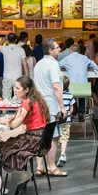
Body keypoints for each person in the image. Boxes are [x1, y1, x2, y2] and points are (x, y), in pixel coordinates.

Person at [0, 75, 50, 173]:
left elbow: (14, 125)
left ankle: (18, 179)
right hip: (41, 138)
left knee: (6, 149)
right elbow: (21, 118)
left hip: (33, 140)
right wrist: (11, 119)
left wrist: (6, 121)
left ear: (26, 90)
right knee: (9, 145)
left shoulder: (27, 102)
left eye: (17, 88)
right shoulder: (36, 99)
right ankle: (20, 178)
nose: (15, 90)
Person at [34, 38, 68, 177]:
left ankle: (39, 167)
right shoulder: (53, 65)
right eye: (57, 47)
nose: (60, 49)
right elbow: (56, 86)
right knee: (53, 137)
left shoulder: (39, 64)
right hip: (51, 106)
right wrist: (62, 106)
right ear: (50, 50)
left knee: (40, 136)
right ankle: (52, 167)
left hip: (39, 104)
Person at [59, 44, 98, 121]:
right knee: (81, 92)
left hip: (72, 88)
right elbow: (96, 67)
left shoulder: (67, 58)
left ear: (70, 51)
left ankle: (73, 111)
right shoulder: (84, 58)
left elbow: (57, 66)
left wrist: (66, 68)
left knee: (69, 92)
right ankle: (81, 112)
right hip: (84, 89)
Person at [0, 33, 28, 100]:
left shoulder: (4, 48)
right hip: (18, 77)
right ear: (16, 40)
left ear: (8, 40)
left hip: (7, 77)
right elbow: (25, 65)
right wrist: (27, 77)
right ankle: (18, 110)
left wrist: (4, 39)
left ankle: (5, 110)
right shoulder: (21, 50)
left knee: (6, 99)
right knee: (18, 98)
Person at [58, 76, 75, 167]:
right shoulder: (70, 96)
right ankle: (63, 154)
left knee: (56, 136)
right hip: (66, 120)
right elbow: (72, 110)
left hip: (57, 121)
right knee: (65, 138)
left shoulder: (56, 95)